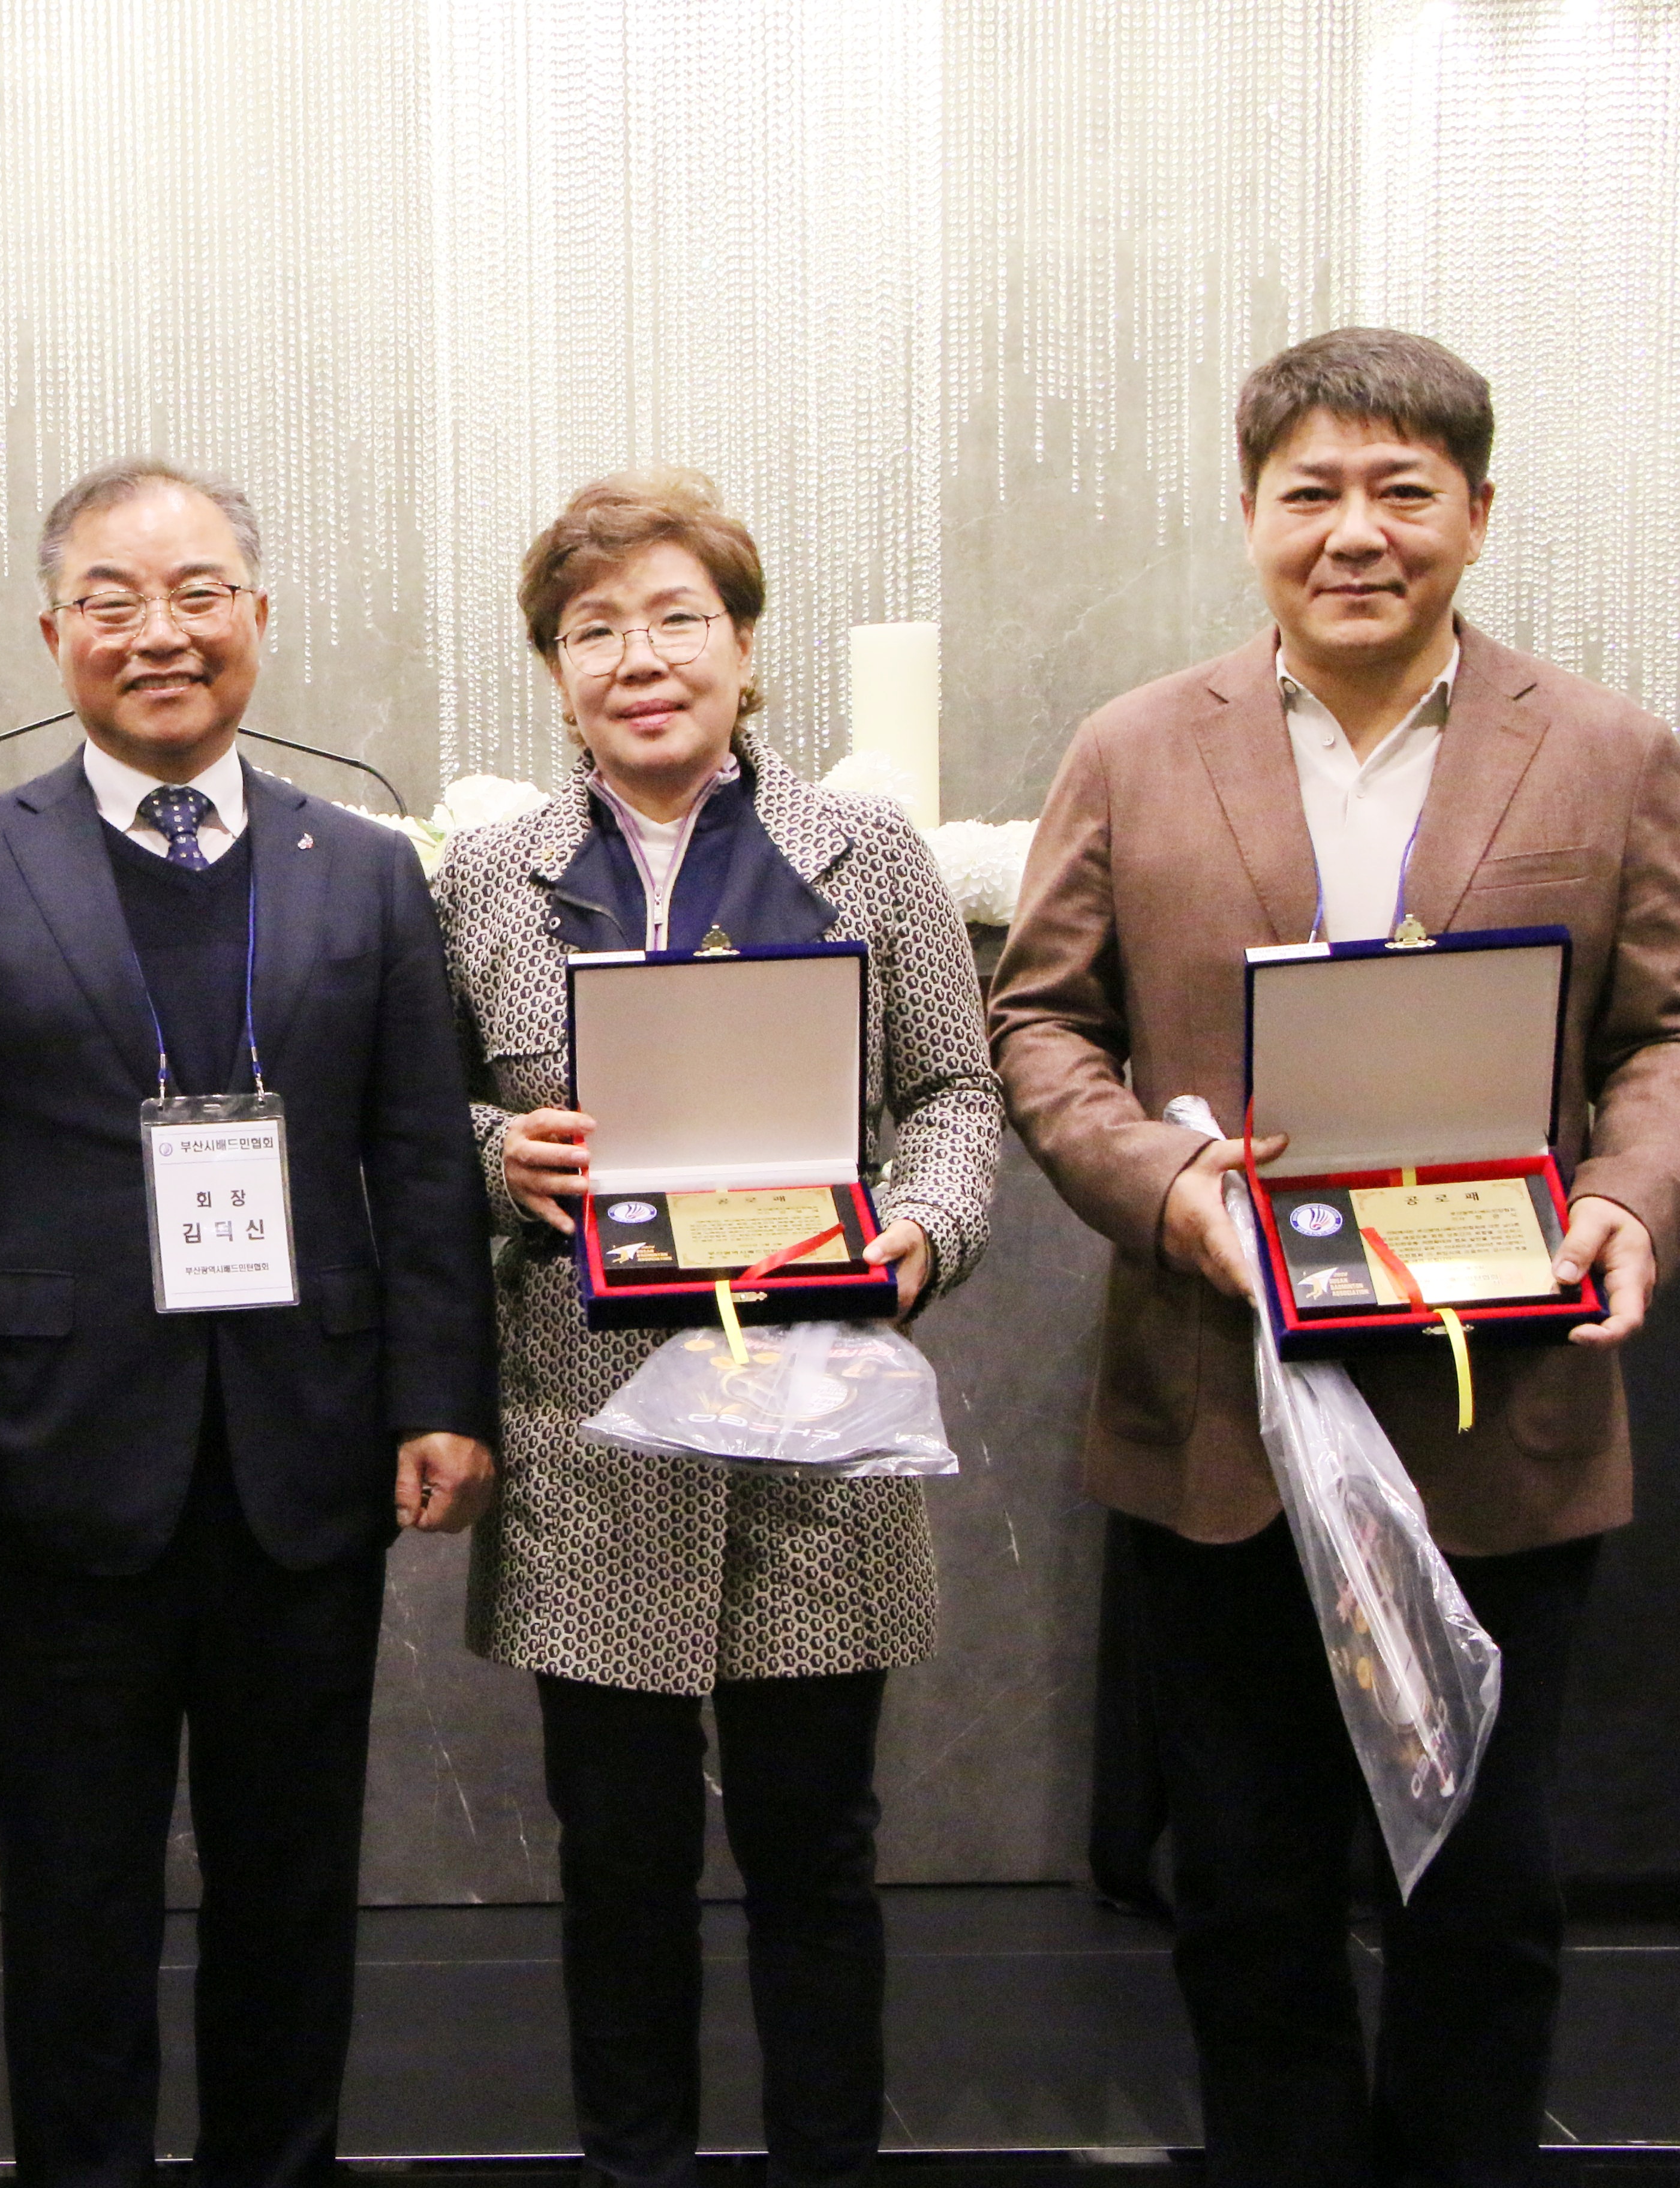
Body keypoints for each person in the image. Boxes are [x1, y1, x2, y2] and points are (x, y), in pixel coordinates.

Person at [991, 327, 1680, 2187]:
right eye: (1312, 490)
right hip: (1219, 1408)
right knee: (1247, 1893)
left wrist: (1631, 1198)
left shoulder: (1607, 752)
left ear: (1477, 514)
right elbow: (1043, 1027)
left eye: (1403, 490)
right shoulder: (1136, 747)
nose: (1357, 532)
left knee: (1482, 1897)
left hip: (1503, 1406)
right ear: (1249, 513)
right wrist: (1170, 1188)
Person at [0, 458, 497, 2188]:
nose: (162, 634)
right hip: (56, 1460)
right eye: (115, 602)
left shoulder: (366, 868)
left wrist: (443, 1394)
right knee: (75, 1897)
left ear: (259, 618)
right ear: (53, 632)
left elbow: (421, 1161)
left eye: (200, 594)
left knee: (296, 1890)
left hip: (309, 1453)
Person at [431, 469, 999, 2188]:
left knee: (818, 1847)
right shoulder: (490, 878)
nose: (642, 658)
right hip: (591, 1435)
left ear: (746, 649)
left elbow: (954, 1093)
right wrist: (494, 1155)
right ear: (556, 674)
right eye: (595, 629)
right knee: (617, 1858)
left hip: (819, 1421)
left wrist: (922, 1230)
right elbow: (416, 1113)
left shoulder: (868, 855)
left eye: (680, 618)